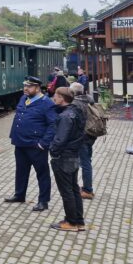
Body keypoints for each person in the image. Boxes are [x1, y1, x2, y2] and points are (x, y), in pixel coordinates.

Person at [5, 76, 58, 212]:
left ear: (37, 88)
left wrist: (43, 143)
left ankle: (43, 201)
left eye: (29, 86)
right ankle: (19, 194)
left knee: (42, 173)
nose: (25, 88)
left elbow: (53, 124)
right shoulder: (24, 99)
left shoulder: (46, 103)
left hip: (35, 145)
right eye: (25, 86)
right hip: (20, 143)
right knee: (21, 171)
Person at [49, 87, 86, 231]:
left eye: (56, 96)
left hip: (64, 157)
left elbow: (60, 139)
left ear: (62, 98)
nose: (54, 98)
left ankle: (71, 223)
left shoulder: (65, 116)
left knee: (67, 191)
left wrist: (53, 150)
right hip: (74, 155)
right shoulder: (76, 112)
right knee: (74, 188)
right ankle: (79, 221)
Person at [70, 82, 96, 199]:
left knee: (85, 163)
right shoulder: (89, 100)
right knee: (87, 162)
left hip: (82, 137)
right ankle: (87, 187)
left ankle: (87, 190)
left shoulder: (76, 104)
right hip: (91, 135)